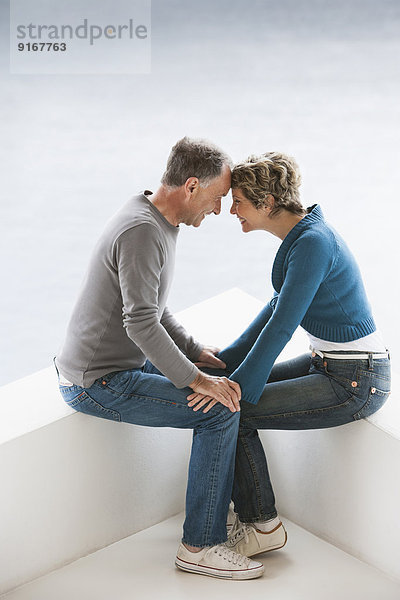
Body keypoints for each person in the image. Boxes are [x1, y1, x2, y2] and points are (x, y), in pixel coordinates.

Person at [54, 137, 265, 580]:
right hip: (98, 379)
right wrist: (197, 380)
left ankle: (213, 515)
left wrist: (193, 353)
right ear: (191, 186)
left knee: (214, 384)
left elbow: (151, 306)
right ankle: (200, 544)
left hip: (118, 363)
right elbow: (141, 323)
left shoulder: (155, 218)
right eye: (217, 197)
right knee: (218, 411)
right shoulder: (143, 230)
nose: (219, 209)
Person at [187, 151, 391, 559]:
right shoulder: (303, 237)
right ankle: (251, 517)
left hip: (356, 381)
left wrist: (235, 387)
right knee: (233, 400)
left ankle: (263, 525)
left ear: (267, 204)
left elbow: (282, 327)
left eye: (239, 201)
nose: (231, 210)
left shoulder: (313, 243)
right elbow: (276, 309)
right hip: (332, 365)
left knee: (234, 408)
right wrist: (223, 362)